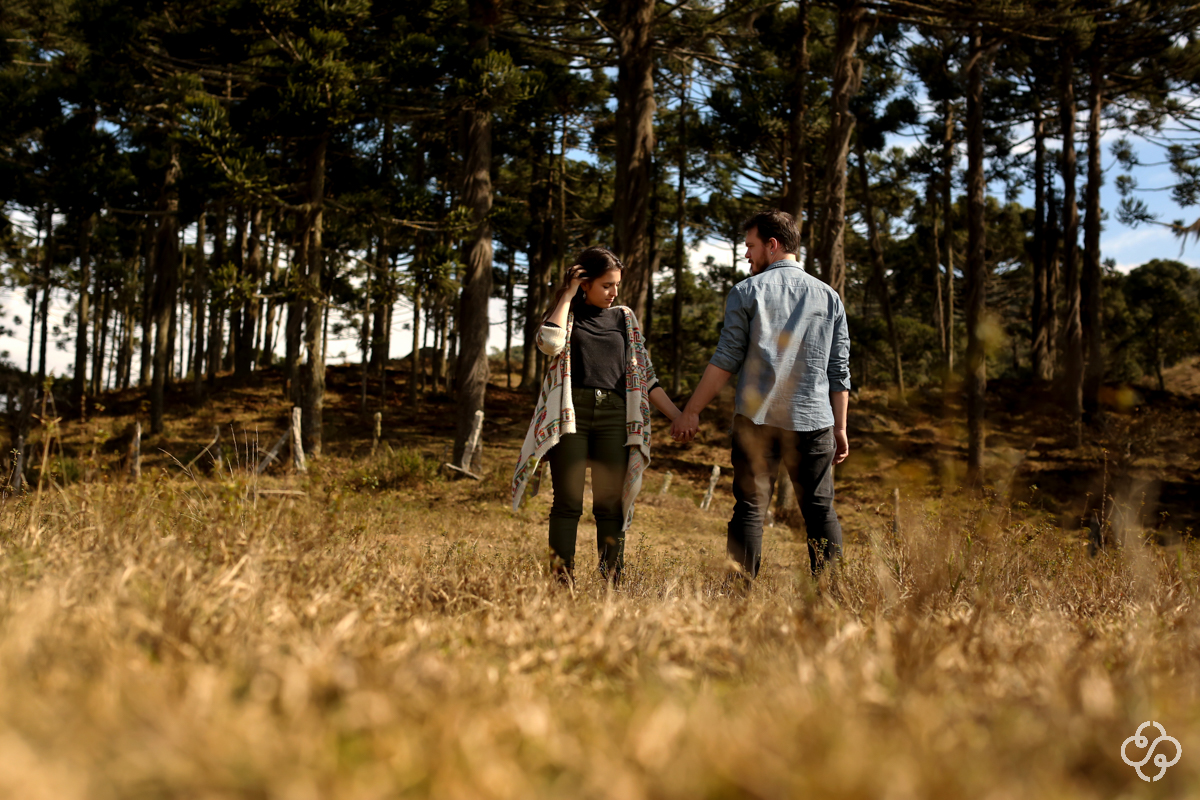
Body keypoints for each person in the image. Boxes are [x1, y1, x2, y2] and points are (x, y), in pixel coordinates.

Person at [670, 210, 851, 582]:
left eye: (751, 246)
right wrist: (840, 427)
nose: (746, 254)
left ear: (772, 245)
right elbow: (839, 370)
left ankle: (739, 597)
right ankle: (833, 598)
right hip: (814, 420)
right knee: (820, 511)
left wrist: (692, 410)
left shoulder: (746, 291)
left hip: (757, 420)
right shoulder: (830, 297)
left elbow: (726, 359)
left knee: (750, 510)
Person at [512, 247, 681, 584]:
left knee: (609, 505)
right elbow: (549, 344)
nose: (613, 292)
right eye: (606, 285)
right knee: (567, 502)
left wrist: (679, 416)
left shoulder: (624, 319)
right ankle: (561, 581)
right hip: (570, 415)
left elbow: (646, 376)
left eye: (616, 285)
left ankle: (612, 580)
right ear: (585, 283)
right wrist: (567, 293)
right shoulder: (567, 316)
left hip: (615, 417)